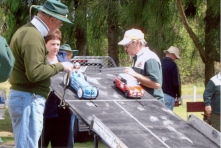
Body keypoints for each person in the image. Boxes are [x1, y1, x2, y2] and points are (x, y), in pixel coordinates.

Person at [7, 1, 73, 148]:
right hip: (29, 98)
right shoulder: (33, 36)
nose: (59, 26)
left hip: (25, 98)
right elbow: (35, 73)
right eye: (60, 23)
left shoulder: (27, 32)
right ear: (51, 19)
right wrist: (61, 65)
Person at [39, 29, 74, 148]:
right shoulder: (39, 60)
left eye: (58, 44)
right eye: (52, 44)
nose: (56, 47)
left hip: (63, 113)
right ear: (45, 44)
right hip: (43, 111)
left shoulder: (64, 60)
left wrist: (73, 73)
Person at [118, 28, 164, 104]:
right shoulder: (138, 57)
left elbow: (156, 84)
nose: (125, 49)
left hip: (154, 105)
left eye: (127, 45)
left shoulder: (150, 57)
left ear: (137, 43)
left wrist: (134, 74)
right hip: (143, 102)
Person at [161, 46, 181, 110]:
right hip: (169, 95)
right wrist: (178, 95)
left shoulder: (158, 62)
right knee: (167, 118)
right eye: (175, 57)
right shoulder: (172, 65)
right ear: (173, 55)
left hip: (158, 94)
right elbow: (176, 82)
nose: (175, 59)